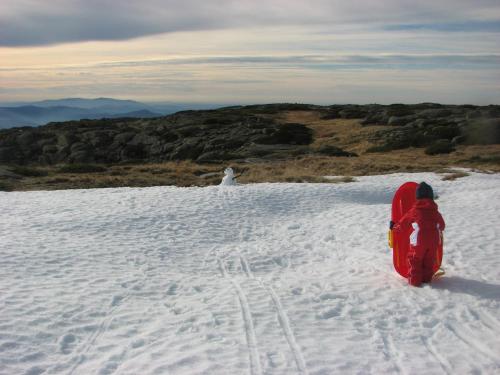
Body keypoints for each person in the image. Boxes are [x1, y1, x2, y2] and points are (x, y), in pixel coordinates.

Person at [393, 182, 445, 286]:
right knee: (429, 259)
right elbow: (442, 225)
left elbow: (403, 224)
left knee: (415, 259)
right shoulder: (435, 211)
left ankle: (415, 282)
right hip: (433, 241)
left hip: (419, 241)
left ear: (417, 197)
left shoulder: (415, 211)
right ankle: (426, 280)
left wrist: (394, 227)